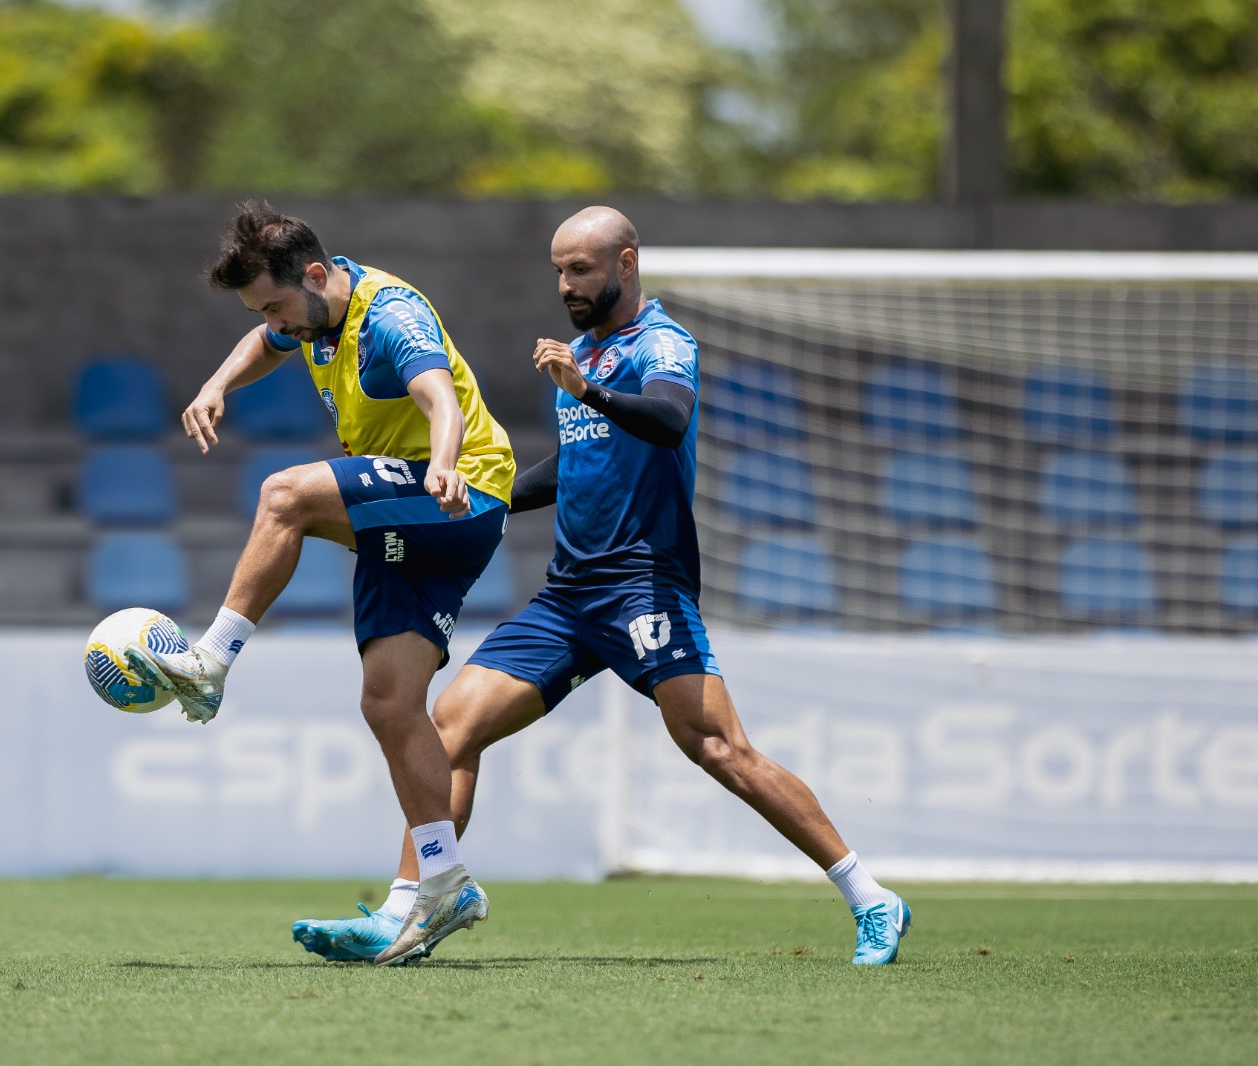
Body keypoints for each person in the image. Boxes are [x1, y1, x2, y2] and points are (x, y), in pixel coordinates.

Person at [292, 206, 912, 966]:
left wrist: (585, 389)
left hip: (643, 585)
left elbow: (667, 421)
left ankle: (871, 897)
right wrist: (489, 492)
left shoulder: (661, 343)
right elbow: (576, 466)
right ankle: (408, 911)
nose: (566, 284)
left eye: (581, 268)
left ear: (626, 262)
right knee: (449, 728)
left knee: (716, 747)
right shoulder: (581, 354)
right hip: (567, 597)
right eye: (558, 270)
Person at [126, 199, 514, 967]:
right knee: (388, 703)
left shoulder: (390, 315)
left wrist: (441, 460)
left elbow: (437, 393)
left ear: (313, 273)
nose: (275, 321)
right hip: (412, 520)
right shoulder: (309, 314)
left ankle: (210, 661)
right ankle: (441, 881)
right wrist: (217, 384)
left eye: (275, 303)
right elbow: (264, 342)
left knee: (285, 495)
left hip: (459, 490)